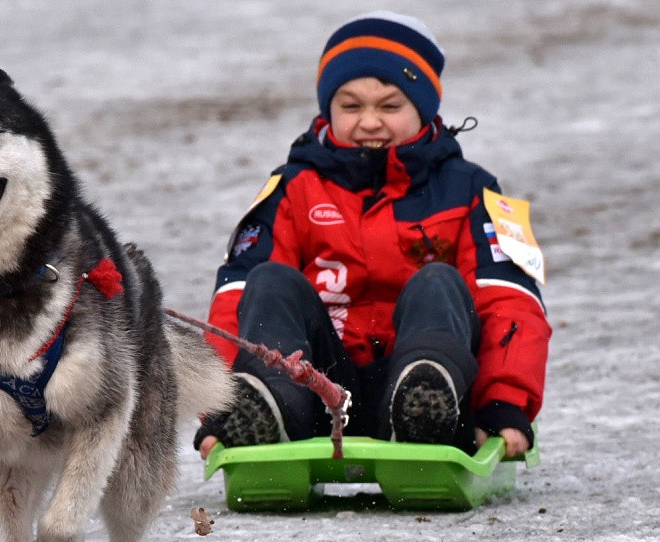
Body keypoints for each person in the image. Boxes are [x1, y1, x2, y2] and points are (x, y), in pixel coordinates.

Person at [195, 11, 551, 461]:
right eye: (350, 106)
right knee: (267, 281)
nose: (369, 122)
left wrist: (505, 404)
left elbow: (510, 300)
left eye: (389, 106)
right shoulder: (291, 190)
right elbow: (235, 301)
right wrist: (217, 409)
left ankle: (423, 409)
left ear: (423, 109)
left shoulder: (470, 190)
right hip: (316, 389)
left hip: (427, 382)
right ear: (328, 109)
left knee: (438, 282)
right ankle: (268, 409)